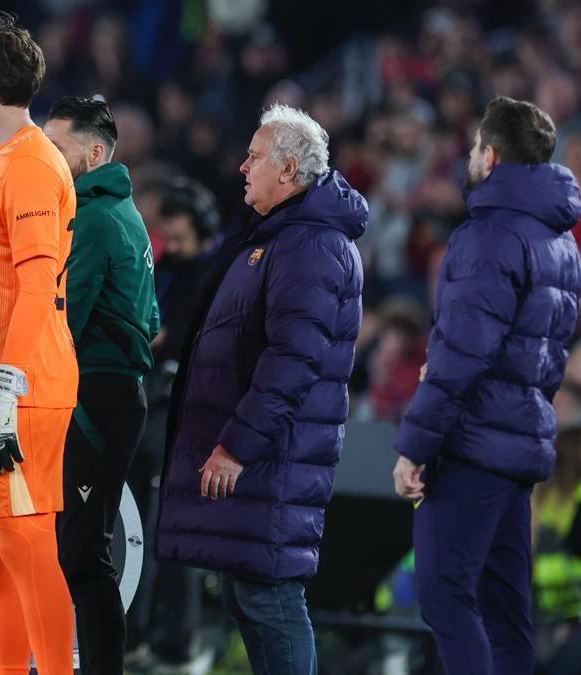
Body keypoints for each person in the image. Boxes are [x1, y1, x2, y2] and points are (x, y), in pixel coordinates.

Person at [157, 103, 368, 675]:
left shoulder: (310, 245)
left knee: (268, 593)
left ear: (290, 168)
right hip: (269, 456)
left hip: (274, 458)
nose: (242, 167)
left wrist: (236, 446)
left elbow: (293, 360)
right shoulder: (283, 237)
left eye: (254, 156)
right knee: (248, 591)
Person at [393, 96, 581, 674]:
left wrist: (415, 447)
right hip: (518, 442)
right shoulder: (561, 243)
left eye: (476, 146)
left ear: (492, 155)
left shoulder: (489, 235)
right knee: (506, 614)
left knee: (445, 594)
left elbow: (459, 355)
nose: (470, 156)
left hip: (472, 443)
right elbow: (543, 361)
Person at [0, 13, 78, 675]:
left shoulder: (29, 164)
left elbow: (36, 287)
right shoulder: (0, 165)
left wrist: (6, 388)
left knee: (28, 542)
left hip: (21, 388)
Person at [42, 96, 159, 675]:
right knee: (85, 551)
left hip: (93, 393)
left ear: (93, 152)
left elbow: (64, 319)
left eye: (57, 149)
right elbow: (153, 320)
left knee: (83, 557)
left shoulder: (91, 218)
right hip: (119, 393)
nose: (48, 159)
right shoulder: (127, 216)